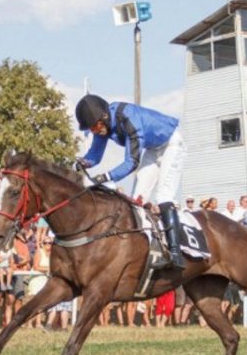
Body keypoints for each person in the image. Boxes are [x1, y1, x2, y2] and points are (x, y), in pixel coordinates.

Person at [75, 94, 186, 269]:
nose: (95, 132)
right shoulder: (102, 123)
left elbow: (131, 162)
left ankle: (175, 253)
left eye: (94, 127)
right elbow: (95, 156)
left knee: (164, 196)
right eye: (91, 129)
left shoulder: (128, 119)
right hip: (152, 150)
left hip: (172, 145)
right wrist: (83, 162)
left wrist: (104, 177)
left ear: (103, 117)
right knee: (136, 200)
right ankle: (147, 250)